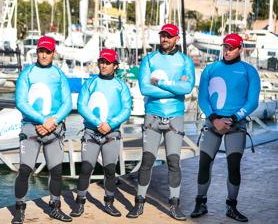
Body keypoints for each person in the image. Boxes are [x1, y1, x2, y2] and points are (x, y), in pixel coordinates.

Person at [127, 23, 195, 220]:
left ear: (176, 38)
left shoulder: (185, 61)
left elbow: (187, 87)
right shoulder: (149, 59)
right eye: (163, 36)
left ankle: (174, 206)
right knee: (147, 160)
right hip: (152, 117)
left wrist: (162, 83)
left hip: (175, 117)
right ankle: (139, 204)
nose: (165, 39)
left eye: (169, 36)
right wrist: (176, 86)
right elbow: (145, 89)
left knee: (174, 162)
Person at [190, 33, 260, 222]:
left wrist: (234, 117)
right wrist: (214, 119)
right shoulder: (211, 69)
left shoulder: (249, 71)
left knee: (233, 166)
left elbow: (252, 101)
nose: (227, 50)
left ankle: (231, 207)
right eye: (225, 47)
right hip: (213, 124)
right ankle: (200, 203)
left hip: (235, 125)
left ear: (240, 49)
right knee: (204, 164)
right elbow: (202, 98)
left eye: (231, 48)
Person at [12, 36, 73, 224]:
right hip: (31, 128)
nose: (44, 55)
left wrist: (52, 121)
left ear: (53, 53)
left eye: (48, 51)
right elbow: (21, 102)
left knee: (56, 171)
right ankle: (20, 211)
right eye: (41, 51)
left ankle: (55, 207)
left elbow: (68, 103)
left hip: (54, 128)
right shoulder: (27, 73)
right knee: (24, 170)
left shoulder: (59, 74)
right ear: (37, 52)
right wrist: (41, 120)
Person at [70, 49, 132, 218]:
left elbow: (127, 109)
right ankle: (79, 202)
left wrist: (110, 124)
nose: (103, 65)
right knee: (86, 168)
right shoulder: (90, 83)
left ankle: (109, 203)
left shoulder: (121, 86)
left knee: (110, 170)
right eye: (101, 62)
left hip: (111, 133)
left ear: (115, 66)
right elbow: (82, 105)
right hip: (91, 132)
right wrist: (98, 124)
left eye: (107, 62)